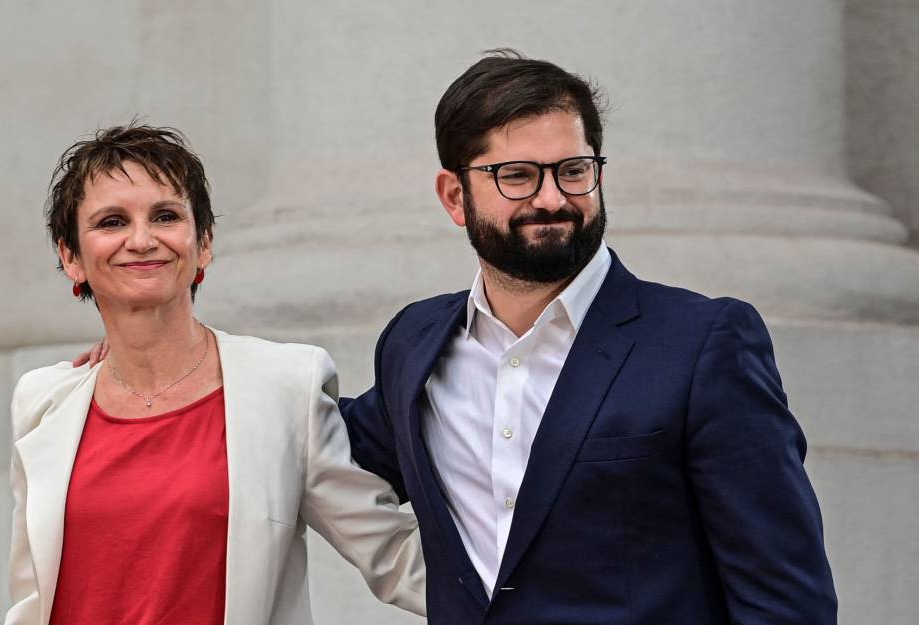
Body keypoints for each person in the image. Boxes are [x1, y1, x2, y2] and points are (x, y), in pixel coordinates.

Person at [337, 51, 838, 624]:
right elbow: (320, 446)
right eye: (518, 175)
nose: (552, 198)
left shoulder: (702, 343)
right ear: (455, 196)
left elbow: (785, 598)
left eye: (573, 170)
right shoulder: (414, 345)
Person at [5, 124, 425, 625]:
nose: (141, 240)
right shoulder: (44, 400)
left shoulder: (286, 386)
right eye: (112, 221)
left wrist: (533, 594)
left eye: (165, 216)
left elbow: (393, 555)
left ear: (203, 243)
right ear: (70, 256)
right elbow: (31, 599)